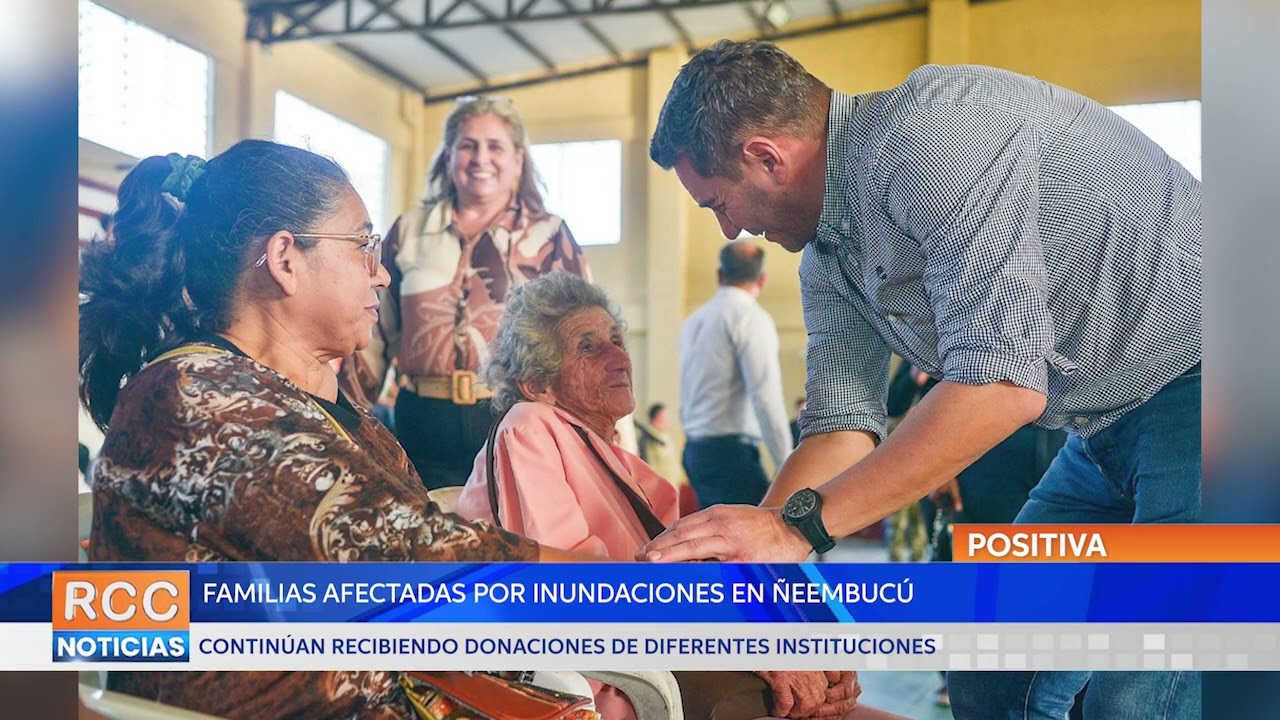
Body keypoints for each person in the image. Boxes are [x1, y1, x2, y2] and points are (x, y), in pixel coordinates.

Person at [643, 39, 1201, 719]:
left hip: (1213, 383)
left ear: (767, 157)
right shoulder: (828, 258)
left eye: (716, 203)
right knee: (994, 666)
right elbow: (840, 430)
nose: (730, 229)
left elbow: (1001, 385)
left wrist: (794, 533)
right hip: (1101, 430)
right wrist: (759, 581)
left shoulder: (931, 136)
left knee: (1142, 695)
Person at [78, 141, 591, 719]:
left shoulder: (307, 399)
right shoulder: (193, 395)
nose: (382, 272)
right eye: (363, 245)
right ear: (286, 258)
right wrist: (598, 571)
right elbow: (405, 555)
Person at [457, 271, 867, 720]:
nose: (619, 358)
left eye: (617, 340)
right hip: (613, 684)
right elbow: (573, 593)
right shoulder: (529, 425)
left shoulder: (638, 473)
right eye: (589, 347)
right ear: (539, 384)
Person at [344, 96, 591, 490]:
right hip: (422, 421)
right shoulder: (408, 231)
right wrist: (347, 422)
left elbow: (584, 342)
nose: (481, 158)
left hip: (514, 418)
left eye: (495, 146)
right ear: (448, 156)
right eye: (467, 145)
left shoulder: (550, 236)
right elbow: (372, 333)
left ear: (517, 160)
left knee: (514, 540)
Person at [678, 239, 792, 507]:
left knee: (718, 544)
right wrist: (787, 463)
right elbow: (765, 394)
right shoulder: (750, 318)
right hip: (730, 455)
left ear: (720, 275)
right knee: (764, 540)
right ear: (762, 280)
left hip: (695, 450)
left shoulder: (693, 321)